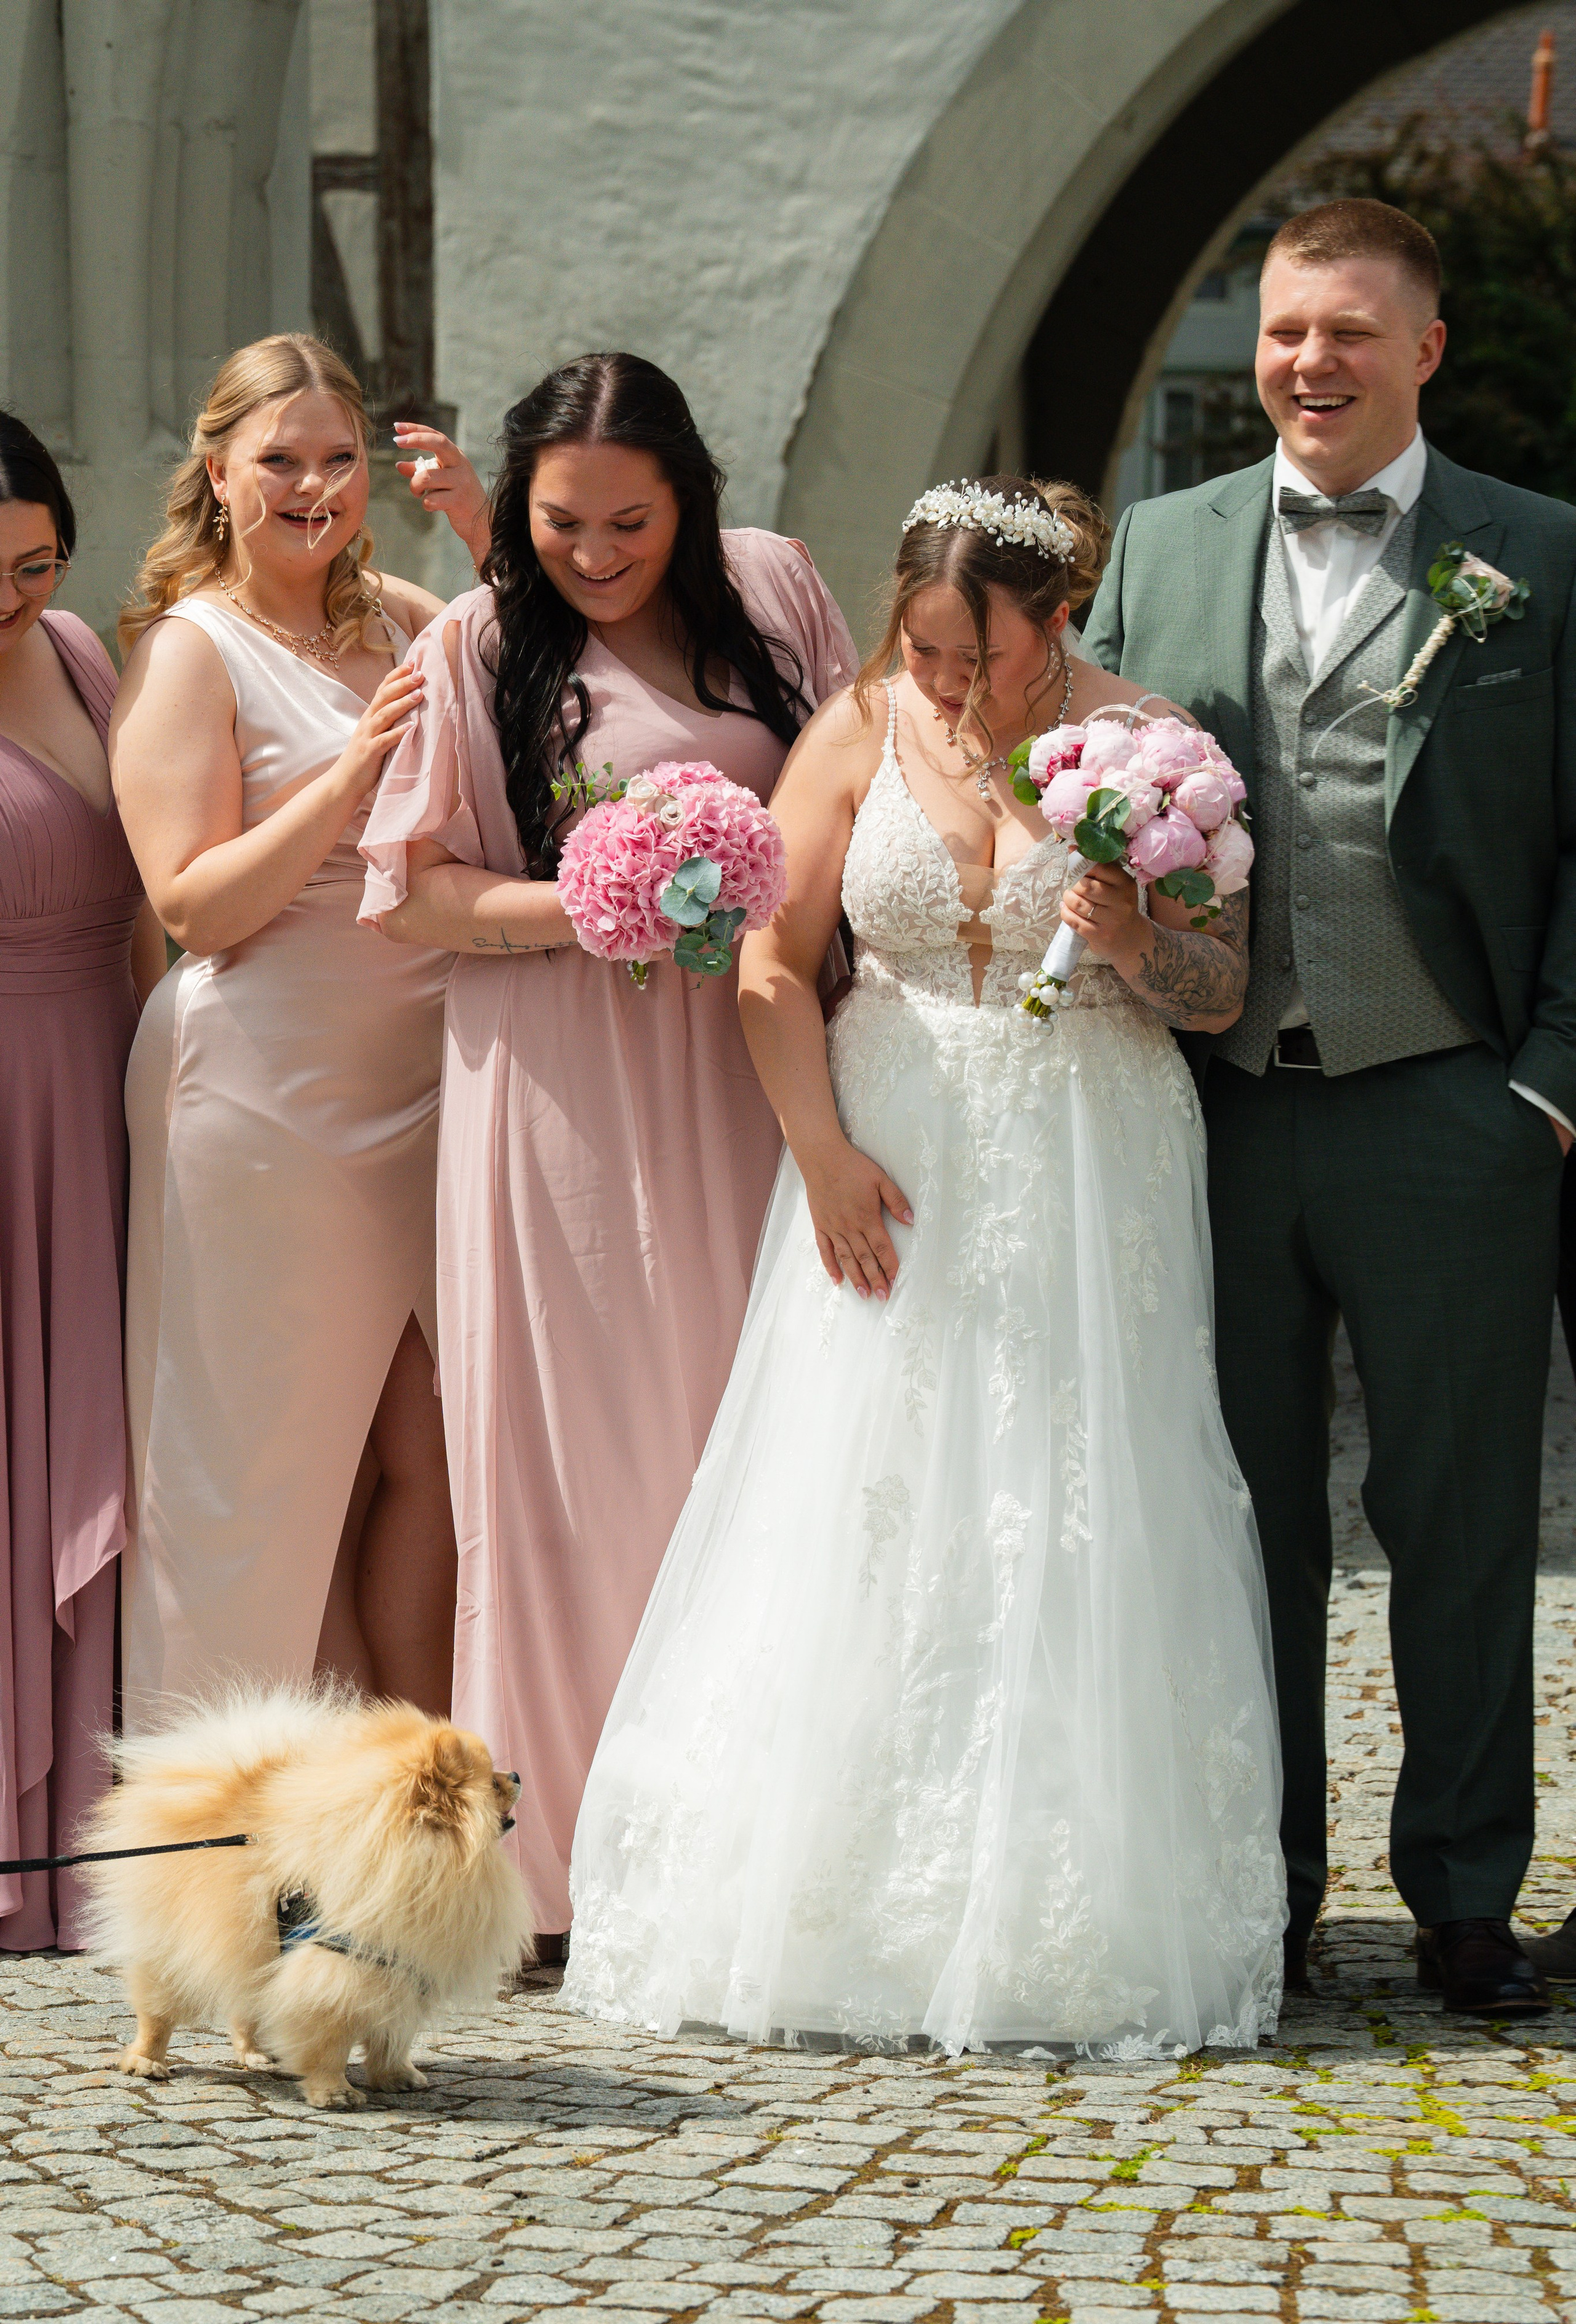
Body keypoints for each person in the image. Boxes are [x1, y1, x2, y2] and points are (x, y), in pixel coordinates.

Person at [560, 475, 1286, 2055]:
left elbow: (1218, 991)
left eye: (986, 653)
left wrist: (1126, 946)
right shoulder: (857, 726)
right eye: (928, 647)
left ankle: (1065, 1905)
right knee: (860, 1487)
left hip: (1091, 1144)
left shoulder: (1151, 751)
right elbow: (769, 957)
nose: (950, 684)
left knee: (1073, 1487)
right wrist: (816, 1149)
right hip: (882, 1134)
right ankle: (832, 1892)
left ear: (1060, 620)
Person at [1084, 198, 1576, 2018]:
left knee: (1458, 1519)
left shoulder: (1540, 557)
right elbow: (1095, 794)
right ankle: (1260, 1891)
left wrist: (1546, 1091)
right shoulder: (1165, 538)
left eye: (1351, 333)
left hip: (1455, 1105)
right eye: (1288, 329)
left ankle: (1463, 1894)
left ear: (1423, 349)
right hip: (1212, 1112)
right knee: (1239, 1519)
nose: (1309, 363)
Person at [358, 352, 858, 1948]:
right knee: (565, 1483)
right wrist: (582, 906)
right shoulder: (479, 641)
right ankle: (566, 1878)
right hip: (555, 1095)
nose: (593, 553)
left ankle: (755, 1849)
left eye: (628, 521)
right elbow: (416, 892)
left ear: (690, 500)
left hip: (745, 1074)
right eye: (562, 524)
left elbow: (857, 804)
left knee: (751, 1449)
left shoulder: (777, 596)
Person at [111, 334, 457, 1724]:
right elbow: (196, 909)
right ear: (217, 470)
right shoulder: (190, 652)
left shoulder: (408, 617)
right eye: (280, 461)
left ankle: (415, 1792)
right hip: (262, 1093)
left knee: (431, 1462)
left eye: (337, 458)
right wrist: (349, 776)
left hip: (430, 1076)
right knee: (257, 1475)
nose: (313, 486)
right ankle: (228, 1841)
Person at [0, 413, 164, 1948]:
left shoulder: (85, 658)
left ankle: (69, 1827)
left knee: (92, 1439)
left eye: (35, 562)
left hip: (102, 1090)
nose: (8, 595)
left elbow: (144, 910)